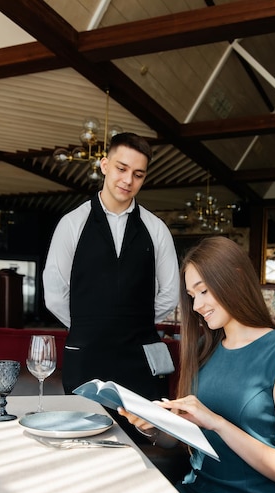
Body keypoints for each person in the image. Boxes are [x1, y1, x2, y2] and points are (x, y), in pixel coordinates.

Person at [118, 236, 275, 493]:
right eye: (192, 296)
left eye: (203, 291)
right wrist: (154, 428)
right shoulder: (204, 350)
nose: (196, 305)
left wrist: (217, 423)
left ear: (234, 278)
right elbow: (183, 439)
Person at [43, 132, 180, 435]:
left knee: (141, 441)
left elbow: (170, 294)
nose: (128, 180)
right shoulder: (72, 223)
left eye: (138, 174)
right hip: (86, 357)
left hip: (140, 360)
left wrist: (133, 321)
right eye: (121, 168)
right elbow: (54, 293)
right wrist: (90, 324)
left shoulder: (156, 229)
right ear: (104, 165)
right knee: (84, 441)